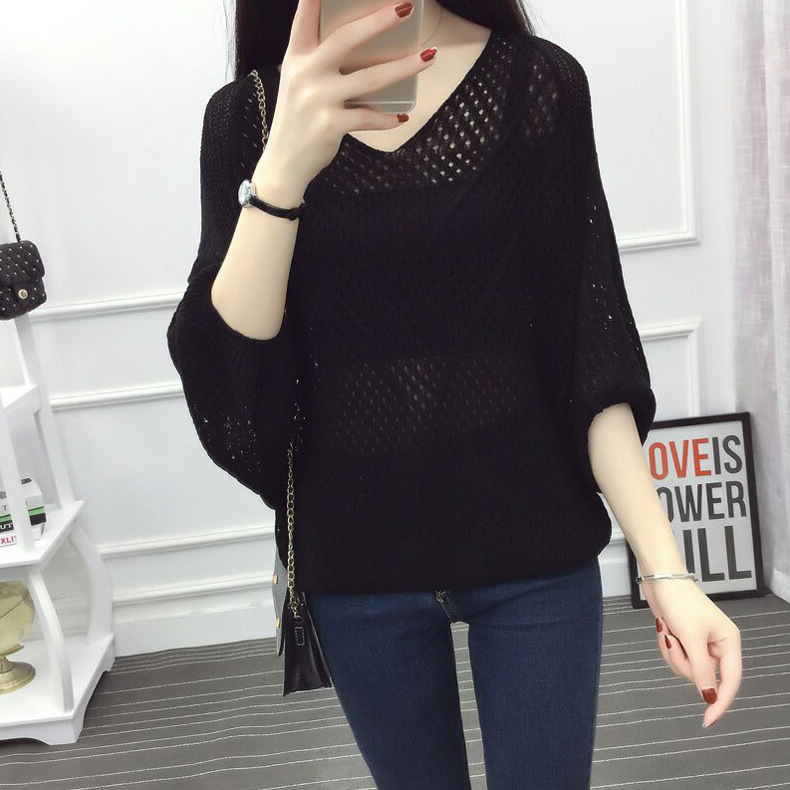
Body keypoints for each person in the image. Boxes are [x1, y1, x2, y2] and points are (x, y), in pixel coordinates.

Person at [166, 1, 743, 787]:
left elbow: (589, 350)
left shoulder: (536, 84)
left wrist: (667, 570)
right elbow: (233, 375)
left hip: (534, 548)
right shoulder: (248, 116)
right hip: (355, 563)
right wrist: (283, 170)